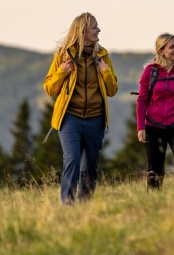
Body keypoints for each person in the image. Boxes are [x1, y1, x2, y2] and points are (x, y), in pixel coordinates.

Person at [43, 12, 118, 203]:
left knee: (90, 166)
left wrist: (105, 71)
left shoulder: (103, 56)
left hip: (96, 119)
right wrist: (62, 71)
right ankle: (67, 205)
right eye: (95, 27)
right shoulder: (63, 55)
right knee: (73, 161)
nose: (99, 30)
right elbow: (49, 88)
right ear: (83, 31)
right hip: (70, 119)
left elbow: (112, 90)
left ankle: (84, 206)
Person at [136, 34, 174, 189]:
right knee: (155, 170)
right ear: (161, 51)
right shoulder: (150, 72)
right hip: (153, 126)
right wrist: (140, 127)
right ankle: (153, 204)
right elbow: (142, 100)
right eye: (172, 47)